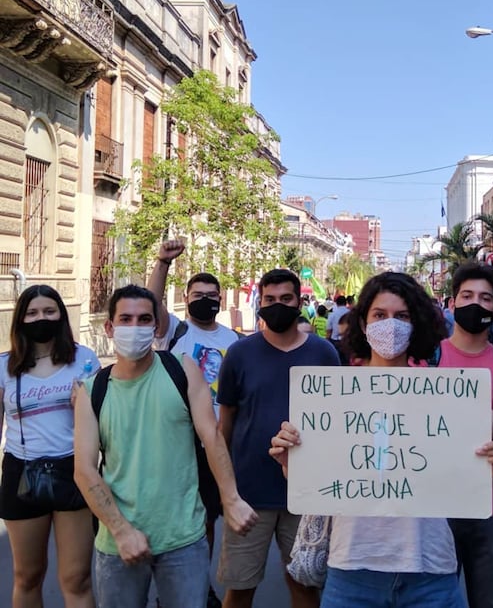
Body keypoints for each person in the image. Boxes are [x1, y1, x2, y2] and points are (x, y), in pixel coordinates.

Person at [268, 271, 493, 608]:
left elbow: (459, 485)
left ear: (417, 325)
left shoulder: (445, 394)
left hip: (430, 571)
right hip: (351, 569)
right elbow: (312, 483)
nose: (391, 325)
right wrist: (291, 462)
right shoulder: (332, 395)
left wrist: (486, 472)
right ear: (363, 323)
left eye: (402, 316)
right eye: (380, 316)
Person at [73, 284, 257, 608]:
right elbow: (84, 471)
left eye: (144, 319)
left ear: (156, 327)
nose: (135, 327)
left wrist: (232, 499)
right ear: (109, 327)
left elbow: (211, 436)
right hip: (118, 544)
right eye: (125, 319)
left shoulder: (182, 370)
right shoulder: (92, 391)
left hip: (183, 539)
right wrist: (120, 530)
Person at [216, 269, 340, 608]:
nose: (277, 305)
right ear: (260, 302)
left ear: (299, 302)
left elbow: (338, 424)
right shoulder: (240, 354)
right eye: (269, 300)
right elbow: (224, 426)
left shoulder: (325, 354)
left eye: (286, 299)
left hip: (305, 494)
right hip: (249, 495)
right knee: (239, 589)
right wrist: (224, 488)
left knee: (304, 584)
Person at [148, 240, 242, 608]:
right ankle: (167, 591)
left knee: (205, 522)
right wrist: (162, 264)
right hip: (175, 442)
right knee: (172, 519)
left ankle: (199, 588)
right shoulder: (174, 332)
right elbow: (152, 301)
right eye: (198, 294)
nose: (206, 299)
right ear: (186, 299)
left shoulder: (233, 340)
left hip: (214, 443)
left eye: (212, 295)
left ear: (220, 299)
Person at [0, 285, 100, 608]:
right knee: (27, 576)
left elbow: (104, 420)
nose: (40, 318)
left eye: (48, 311)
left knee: (77, 578)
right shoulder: (4, 366)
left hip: (74, 471)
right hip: (21, 472)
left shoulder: (84, 359)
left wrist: (84, 405)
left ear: (60, 315)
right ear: (20, 319)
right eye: (32, 313)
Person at [437, 262, 493, 608]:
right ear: (452, 303)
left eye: (486, 298)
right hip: (435, 504)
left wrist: (438, 406)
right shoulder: (424, 360)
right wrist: (484, 414)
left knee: (492, 601)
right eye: (467, 296)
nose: (476, 304)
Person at [326, 295, 350, 361]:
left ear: (336, 303)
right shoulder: (351, 314)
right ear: (346, 303)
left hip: (335, 343)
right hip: (349, 343)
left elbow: (328, 331)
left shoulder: (332, 314)